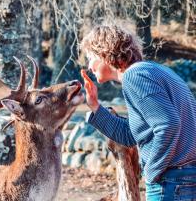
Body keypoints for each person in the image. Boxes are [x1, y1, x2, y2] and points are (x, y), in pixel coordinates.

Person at [80, 24, 196, 200]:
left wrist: (152, 171)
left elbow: (169, 124)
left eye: (90, 57)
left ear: (104, 53)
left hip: (171, 182)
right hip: (184, 178)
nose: (89, 66)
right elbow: (131, 135)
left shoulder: (135, 76)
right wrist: (95, 106)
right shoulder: (153, 71)